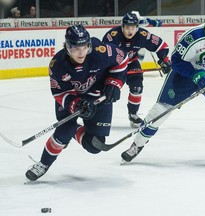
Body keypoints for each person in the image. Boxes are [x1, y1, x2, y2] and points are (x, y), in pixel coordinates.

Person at [121, 4, 205, 167]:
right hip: (186, 73)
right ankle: (137, 144)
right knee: (161, 110)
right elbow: (177, 61)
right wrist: (196, 74)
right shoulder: (193, 36)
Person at [25, 25, 128, 181]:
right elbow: (60, 93)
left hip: (98, 97)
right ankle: (44, 163)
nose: (81, 52)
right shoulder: (58, 64)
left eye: (84, 47)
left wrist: (114, 83)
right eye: (75, 48)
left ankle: (73, 130)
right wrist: (77, 104)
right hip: (72, 99)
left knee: (95, 146)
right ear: (67, 46)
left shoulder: (100, 52)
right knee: (63, 132)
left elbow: (122, 59)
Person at [102, 12, 171, 128]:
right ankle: (98, 117)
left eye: (133, 28)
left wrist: (164, 60)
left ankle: (133, 114)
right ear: (122, 27)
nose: (130, 31)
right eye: (127, 27)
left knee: (137, 88)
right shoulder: (112, 36)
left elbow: (162, 46)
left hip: (131, 62)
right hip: (114, 66)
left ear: (137, 27)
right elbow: (102, 56)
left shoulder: (143, 35)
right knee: (107, 92)